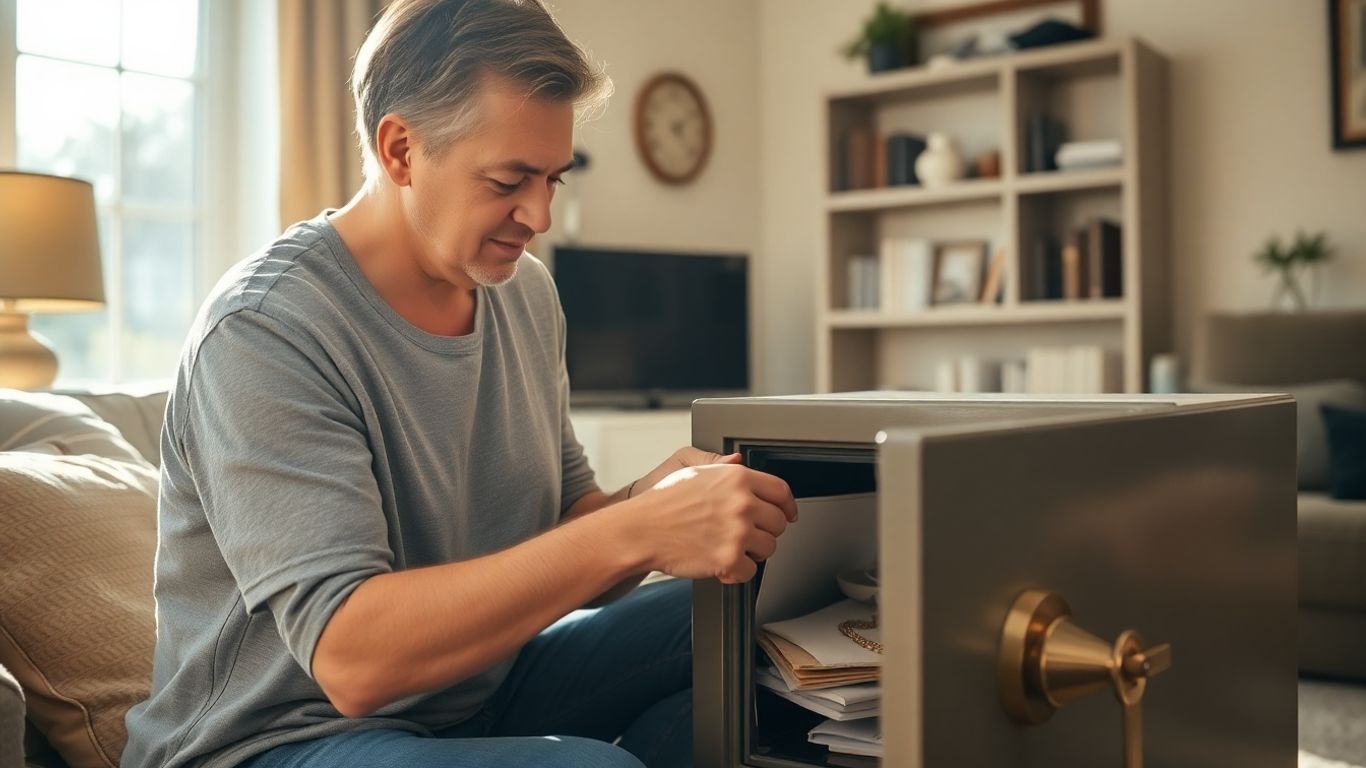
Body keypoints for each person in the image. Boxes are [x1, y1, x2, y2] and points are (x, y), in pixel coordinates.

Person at [120, 1, 797, 766]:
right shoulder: (266, 329)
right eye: (509, 179)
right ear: (401, 150)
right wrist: (634, 531)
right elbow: (353, 660)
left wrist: (651, 503)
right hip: (277, 738)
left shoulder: (525, 294)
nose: (539, 214)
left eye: (553, 179)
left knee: (749, 614)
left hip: (472, 696)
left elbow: (566, 529)